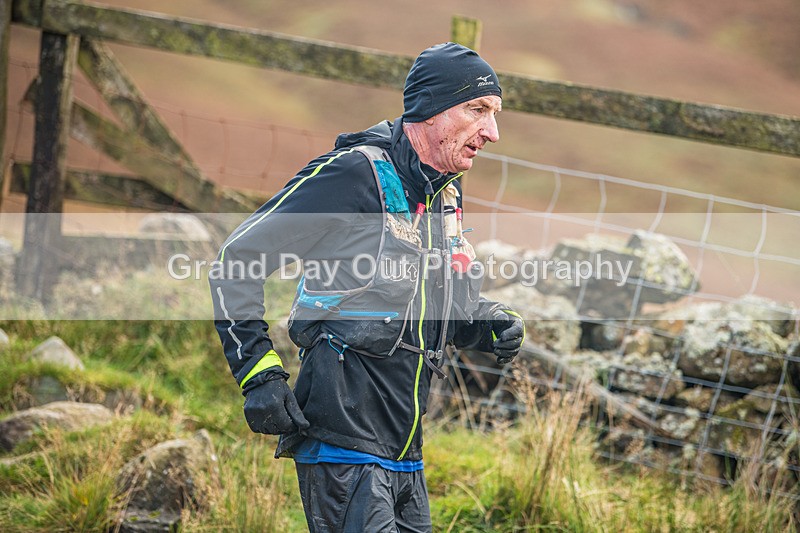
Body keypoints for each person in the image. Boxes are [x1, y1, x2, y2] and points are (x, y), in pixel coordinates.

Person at [210, 42, 525, 532]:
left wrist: (482, 323)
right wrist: (259, 375)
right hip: (343, 441)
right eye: (478, 110)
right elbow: (236, 261)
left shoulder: (443, 190)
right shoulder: (353, 174)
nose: (493, 132)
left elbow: (417, 303)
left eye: (495, 113)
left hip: (405, 450)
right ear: (433, 108)